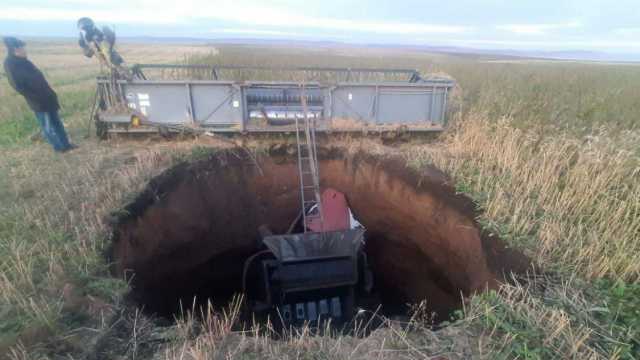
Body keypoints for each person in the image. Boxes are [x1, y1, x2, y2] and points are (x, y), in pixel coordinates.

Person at [3, 37, 76, 152]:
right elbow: (18, 86)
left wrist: (50, 93)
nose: (25, 51)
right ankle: (59, 148)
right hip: (38, 102)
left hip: (47, 97)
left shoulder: (25, 61)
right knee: (47, 127)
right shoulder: (10, 64)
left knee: (57, 123)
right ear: (15, 49)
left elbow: (39, 79)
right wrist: (35, 97)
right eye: (23, 48)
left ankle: (66, 144)